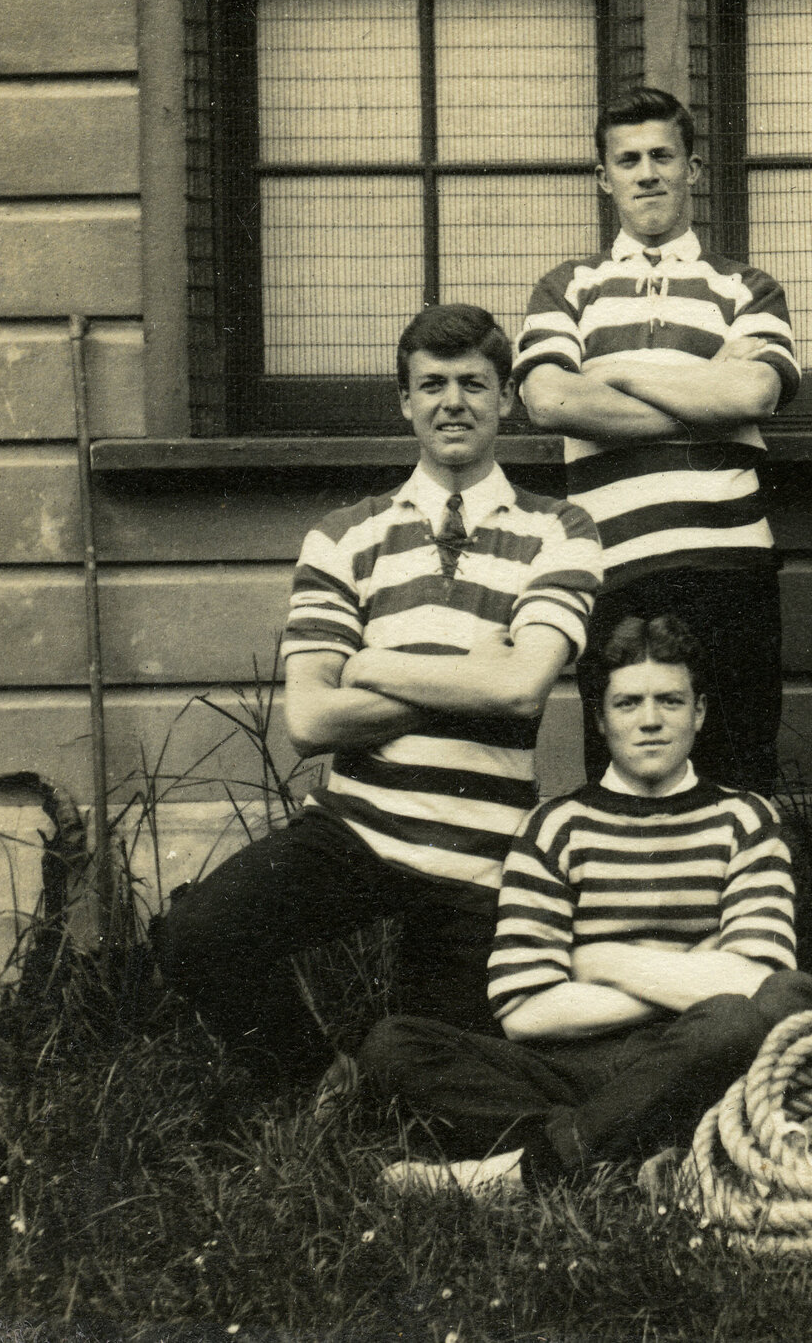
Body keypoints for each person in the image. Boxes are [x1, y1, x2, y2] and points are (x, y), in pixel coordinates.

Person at [158, 304, 605, 1104]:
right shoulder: (344, 536)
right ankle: (315, 1075)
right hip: (354, 832)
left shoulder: (560, 528)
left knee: (417, 1079)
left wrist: (371, 666)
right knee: (196, 933)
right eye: (431, 385)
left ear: (507, 397)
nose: (453, 403)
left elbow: (521, 687)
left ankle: (381, 1079)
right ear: (404, 402)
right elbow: (310, 721)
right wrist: (469, 672)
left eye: (474, 383)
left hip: (483, 857)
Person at [359, 615, 812, 1198]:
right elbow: (525, 1010)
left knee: (738, 1020)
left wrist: (599, 960)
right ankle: (630, 1143)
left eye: (670, 700)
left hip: (697, 1050)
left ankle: (533, 1168)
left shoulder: (744, 819)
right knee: (394, 1044)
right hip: (575, 1064)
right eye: (628, 703)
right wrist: (694, 970)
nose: (650, 721)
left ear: (699, 712)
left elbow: (753, 984)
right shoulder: (557, 825)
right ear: (600, 719)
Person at [515, 86, 798, 794]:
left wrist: (613, 372)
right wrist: (703, 392)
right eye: (629, 159)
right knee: (624, 782)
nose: (647, 173)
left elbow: (754, 394)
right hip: (613, 569)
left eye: (662, 156)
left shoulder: (745, 287)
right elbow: (549, 399)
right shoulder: (567, 288)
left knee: (738, 778)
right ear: (602, 176)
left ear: (692, 169)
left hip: (730, 569)